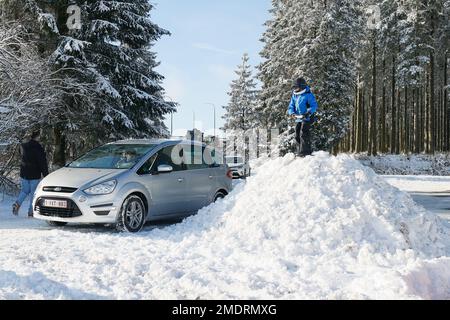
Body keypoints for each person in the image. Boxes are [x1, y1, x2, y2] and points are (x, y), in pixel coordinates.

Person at [12, 130, 49, 217]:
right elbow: (42, 163)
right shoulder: (38, 148)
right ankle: (31, 211)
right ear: (37, 137)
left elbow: (22, 158)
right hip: (34, 174)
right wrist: (46, 174)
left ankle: (17, 203)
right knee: (33, 193)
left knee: (25, 191)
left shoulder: (24, 146)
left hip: (24, 173)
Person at [288, 77, 319, 157]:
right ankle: (299, 151)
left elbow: (314, 106)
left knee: (303, 133)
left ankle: (305, 152)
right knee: (297, 134)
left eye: (296, 87)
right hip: (298, 118)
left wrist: (308, 112)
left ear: (301, 86)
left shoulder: (308, 95)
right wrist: (292, 113)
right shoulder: (295, 96)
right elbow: (291, 106)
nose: (295, 89)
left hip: (307, 118)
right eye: (294, 87)